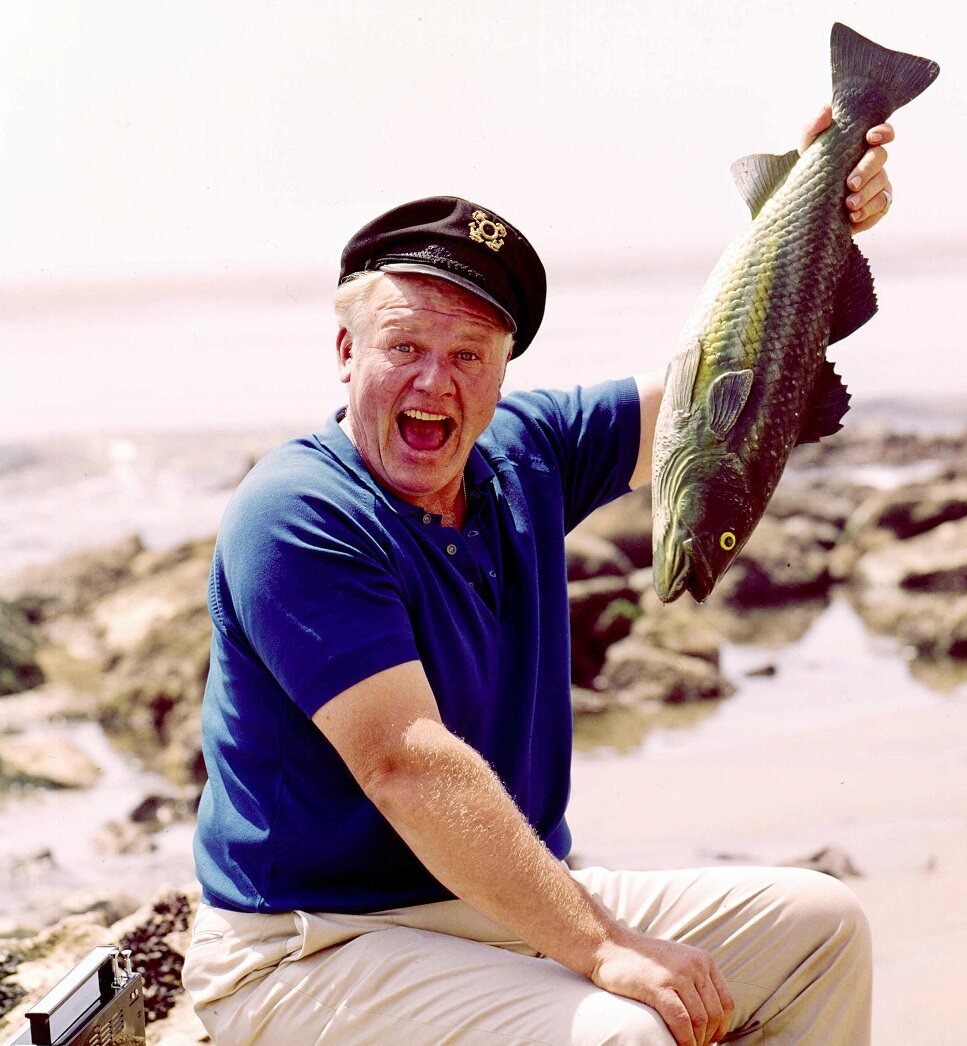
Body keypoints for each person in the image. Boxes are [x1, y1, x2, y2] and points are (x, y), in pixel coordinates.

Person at [182, 108, 896, 1045]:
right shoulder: (299, 510)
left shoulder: (526, 452)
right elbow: (404, 763)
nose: (436, 382)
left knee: (818, 929)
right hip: (308, 947)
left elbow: (725, 386)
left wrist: (814, 203)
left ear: (504, 369)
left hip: (485, 904)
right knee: (624, 1033)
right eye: (406, 346)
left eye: (469, 355)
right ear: (348, 350)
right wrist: (603, 948)